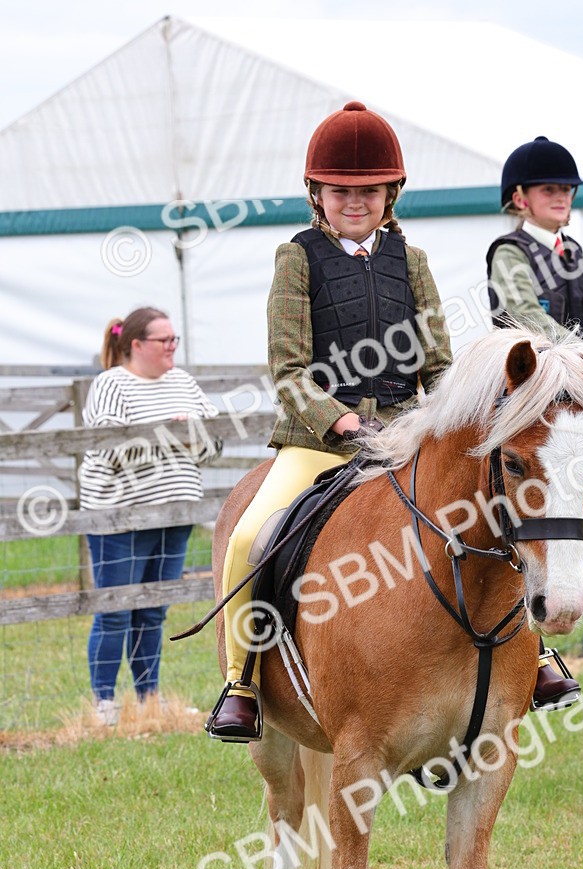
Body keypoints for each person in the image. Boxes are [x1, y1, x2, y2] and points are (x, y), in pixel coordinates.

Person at [207, 100, 453, 740]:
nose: (355, 201)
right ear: (316, 192)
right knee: (248, 539)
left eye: (368, 191)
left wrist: (447, 420)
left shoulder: (413, 261)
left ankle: (532, 657)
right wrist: (341, 421)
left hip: (403, 436)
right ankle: (242, 681)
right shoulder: (297, 259)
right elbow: (288, 370)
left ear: (390, 193)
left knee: (489, 510)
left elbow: (440, 363)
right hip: (318, 444)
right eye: (341, 190)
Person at [486, 136, 583, 707]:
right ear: (520, 198)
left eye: (567, 190)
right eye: (550, 189)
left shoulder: (574, 252)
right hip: (526, 402)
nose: (561, 197)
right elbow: (527, 318)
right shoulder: (508, 251)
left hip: (577, 402)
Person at [80, 307, 223, 725]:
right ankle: (104, 704)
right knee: (115, 608)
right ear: (136, 345)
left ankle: (148, 698)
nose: (172, 347)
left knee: (153, 609)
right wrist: (170, 433)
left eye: (175, 339)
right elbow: (109, 450)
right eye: (164, 340)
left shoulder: (183, 383)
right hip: (120, 517)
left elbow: (213, 445)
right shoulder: (110, 385)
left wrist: (187, 436)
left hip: (175, 513)